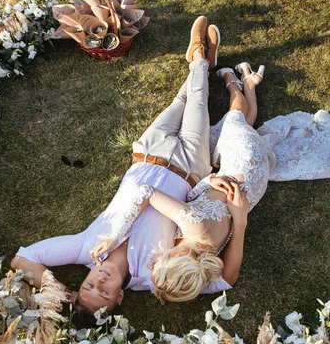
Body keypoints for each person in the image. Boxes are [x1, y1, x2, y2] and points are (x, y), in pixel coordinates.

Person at [10, 16, 222, 317]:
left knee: (182, 99)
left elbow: (22, 258)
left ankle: (201, 63)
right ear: (120, 297)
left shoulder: (84, 248)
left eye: (88, 286)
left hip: (147, 152)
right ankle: (200, 58)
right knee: (198, 102)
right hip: (188, 166)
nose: (99, 281)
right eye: (105, 292)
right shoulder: (152, 277)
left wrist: (57, 291)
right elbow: (215, 282)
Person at [90, 61, 276, 302]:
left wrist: (240, 221)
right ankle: (234, 83)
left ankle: (249, 85)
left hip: (251, 187)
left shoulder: (206, 264)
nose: (149, 267)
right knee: (234, 120)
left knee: (230, 131)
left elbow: (228, 281)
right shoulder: (193, 228)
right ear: (175, 259)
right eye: (155, 268)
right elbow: (146, 192)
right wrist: (115, 235)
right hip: (244, 165)